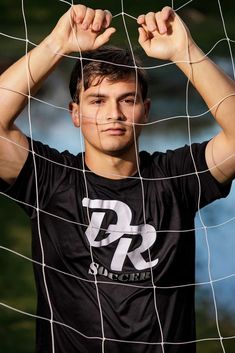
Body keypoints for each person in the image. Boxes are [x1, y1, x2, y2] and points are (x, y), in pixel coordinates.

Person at [0, 4, 234, 353]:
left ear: (146, 110)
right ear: (75, 114)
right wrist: (58, 44)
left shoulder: (177, 177)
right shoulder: (48, 179)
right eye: (97, 100)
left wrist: (184, 51)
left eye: (127, 99)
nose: (114, 114)